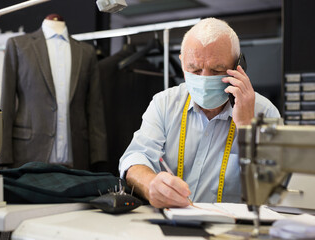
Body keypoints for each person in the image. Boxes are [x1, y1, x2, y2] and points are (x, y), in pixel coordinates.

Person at [118, 17, 280, 208]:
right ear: (181, 63)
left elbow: (273, 190)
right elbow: (135, 158)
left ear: (239, 67)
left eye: (216, 70)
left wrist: (247, 128)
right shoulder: (165, 103)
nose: (204, 79)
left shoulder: (265, 111)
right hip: (168, 225)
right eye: (194, 69)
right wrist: (150, 184)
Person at [0, 14, 107, 171]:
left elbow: (95, 110)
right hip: (28, 155)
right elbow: (6, 104)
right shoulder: (19, 46)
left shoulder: (86, 52)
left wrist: (99, 159)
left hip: (77, 159)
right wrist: (3, 157)